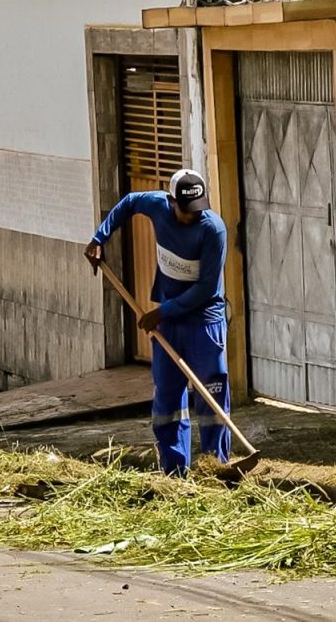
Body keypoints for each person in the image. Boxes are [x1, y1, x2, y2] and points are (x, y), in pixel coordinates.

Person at [84, 169, 229, 477]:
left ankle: (216, 468)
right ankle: (175, 472)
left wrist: (162, 313)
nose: (191, 216)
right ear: (171, 201)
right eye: (185, 210)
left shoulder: (213, 229)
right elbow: (129, 202)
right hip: (168, 323)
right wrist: (100, 238)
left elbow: (205, 288)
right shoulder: (156, 205)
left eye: (197, 209)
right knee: (168, 398)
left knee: (211, 395)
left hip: (204, 322)